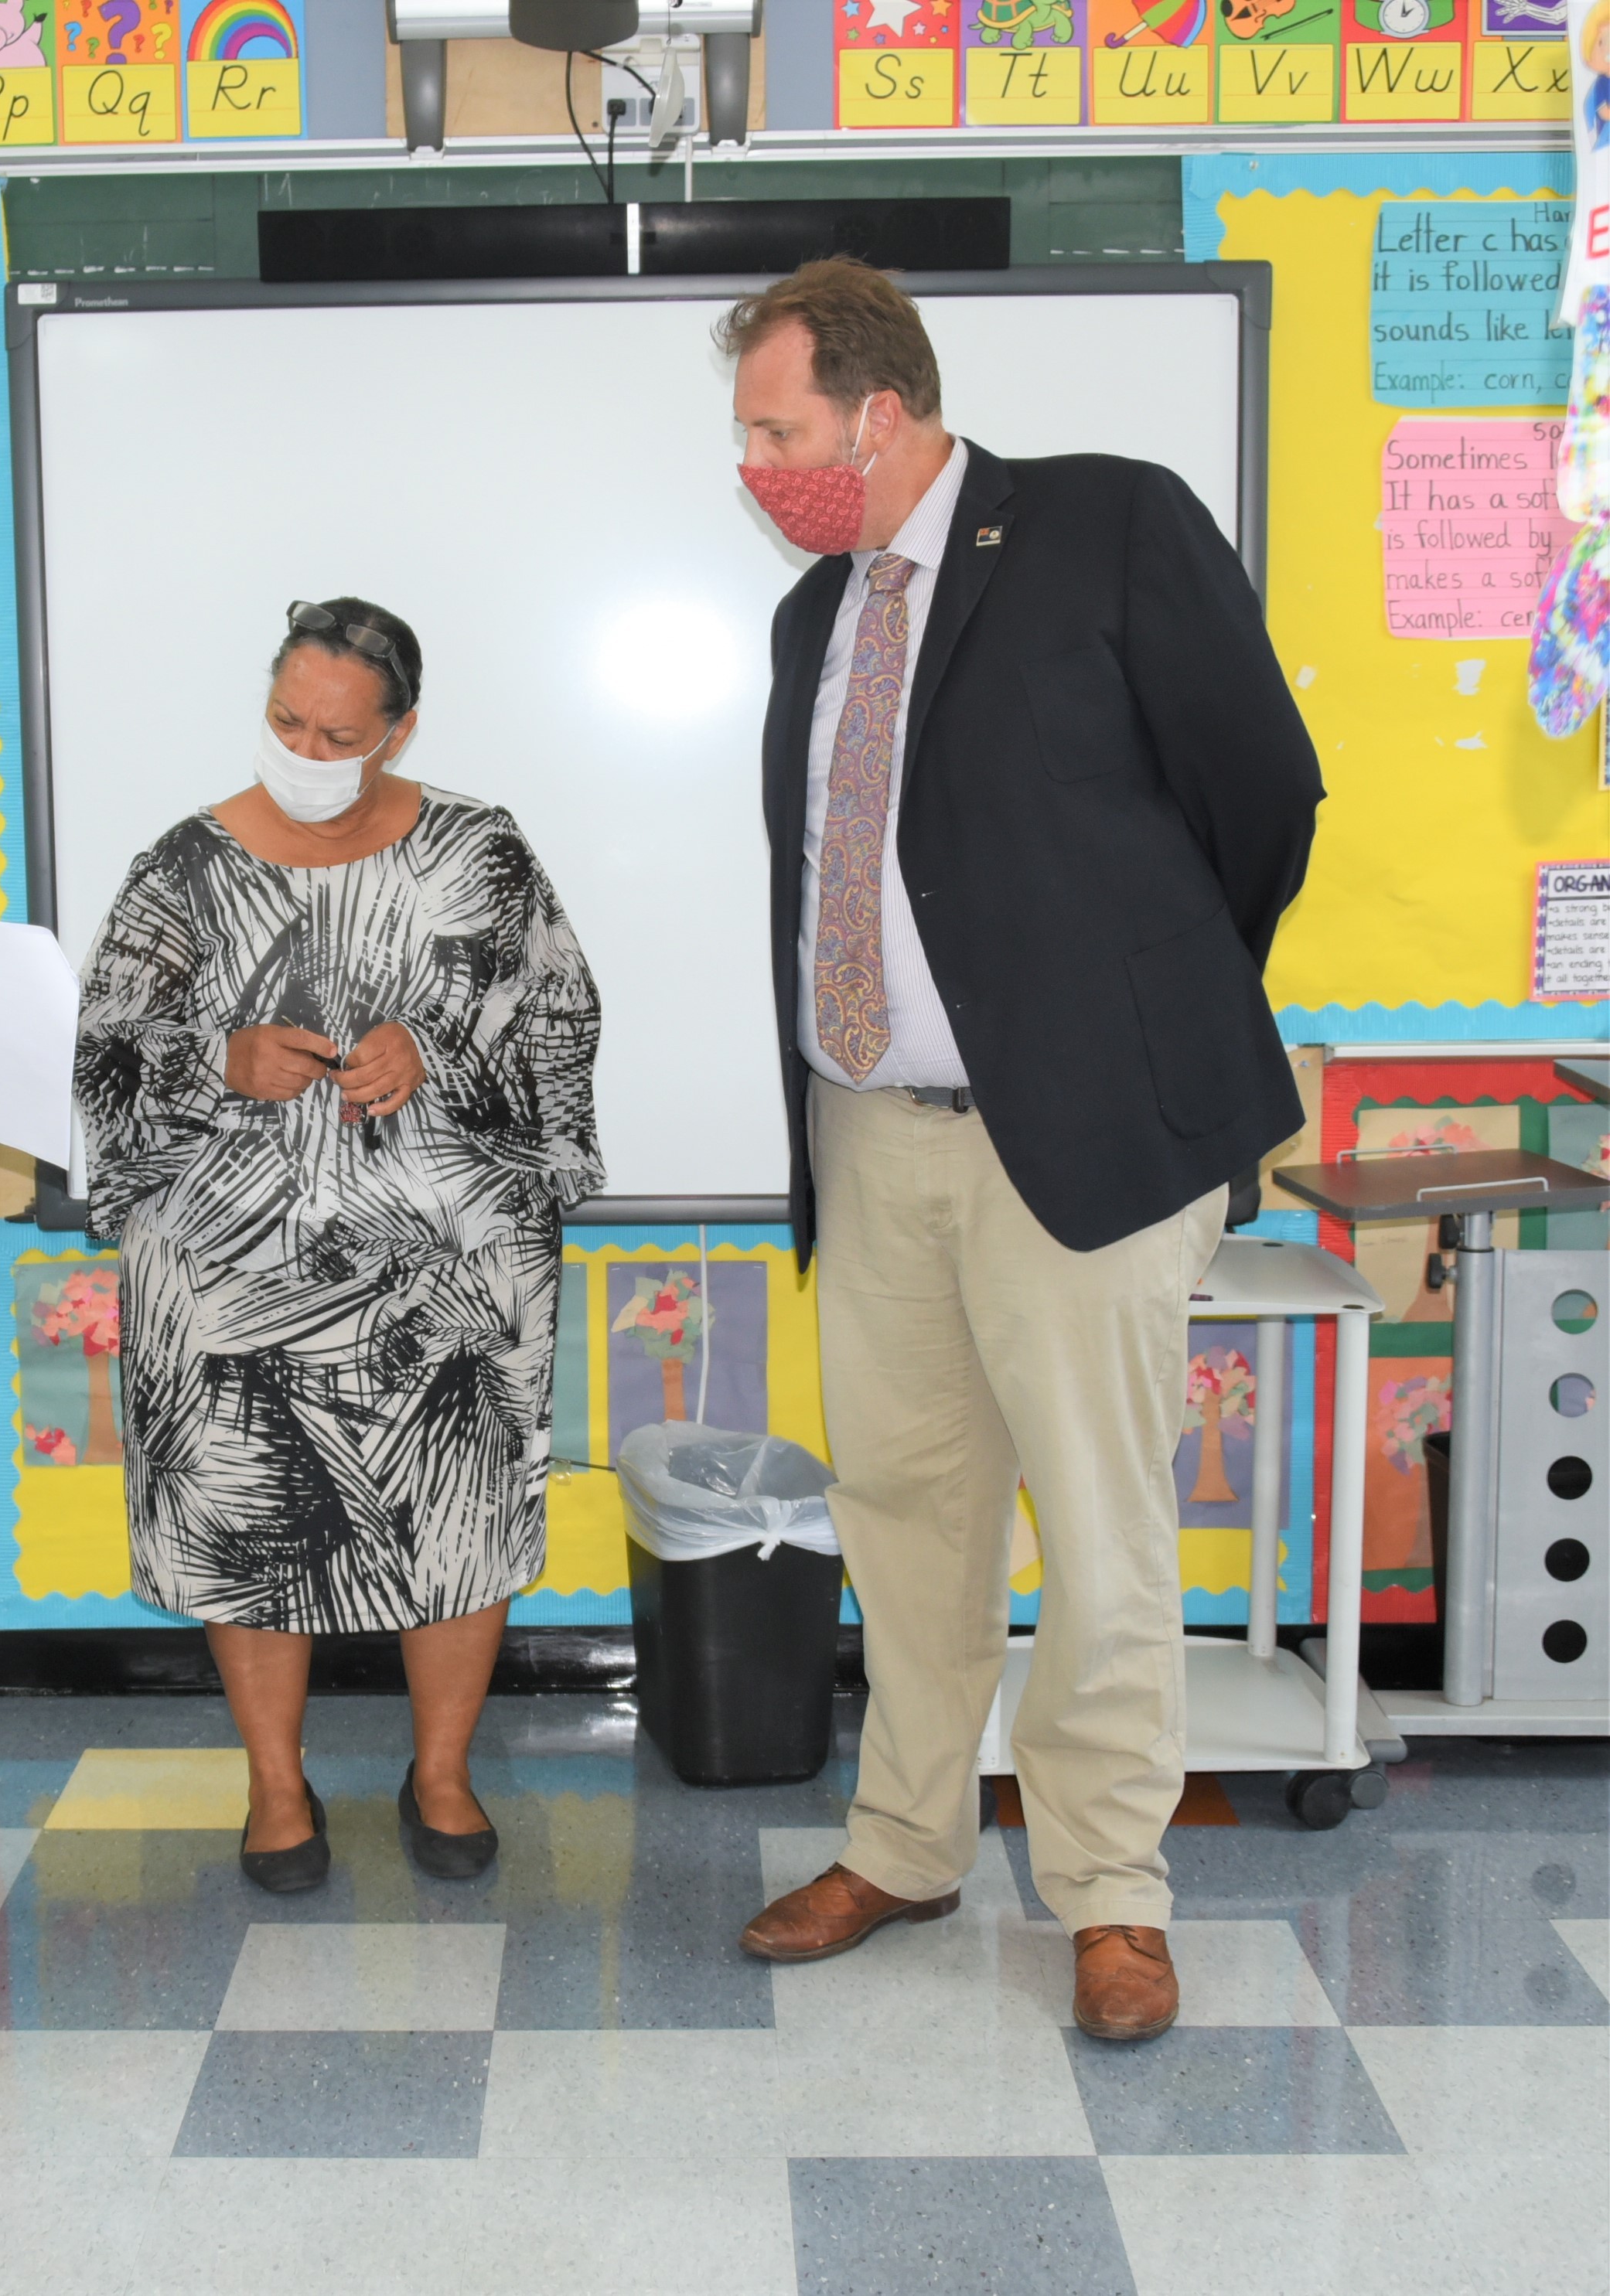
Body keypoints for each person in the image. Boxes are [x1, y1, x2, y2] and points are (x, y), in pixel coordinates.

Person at [722, 261, 1324, 2042]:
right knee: (907, 1517)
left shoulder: (1107, 522)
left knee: (1105, 1531)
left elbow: (1259, 795)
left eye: (777, 431)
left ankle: (1111, 1895)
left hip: (1077, 1135)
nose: (756, 466)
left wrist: (1128, 1012)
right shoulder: (808, 616)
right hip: (872, 1131)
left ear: (878, 411)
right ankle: (906, 1844)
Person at [73, 598, 604, 1894]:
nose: (306, 748)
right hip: (230, 1283)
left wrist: (442, 1043)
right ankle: (275, 1785)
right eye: (285, 721)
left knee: (460, 1512)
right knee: (252, 1522)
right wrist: (223, 1058)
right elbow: (103, 1056)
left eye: (339, 731)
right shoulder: (180, 867)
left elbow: (562, 1019)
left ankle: (441, 1771)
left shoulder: (481, 851)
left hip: (451, 1276)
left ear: (399, 728)